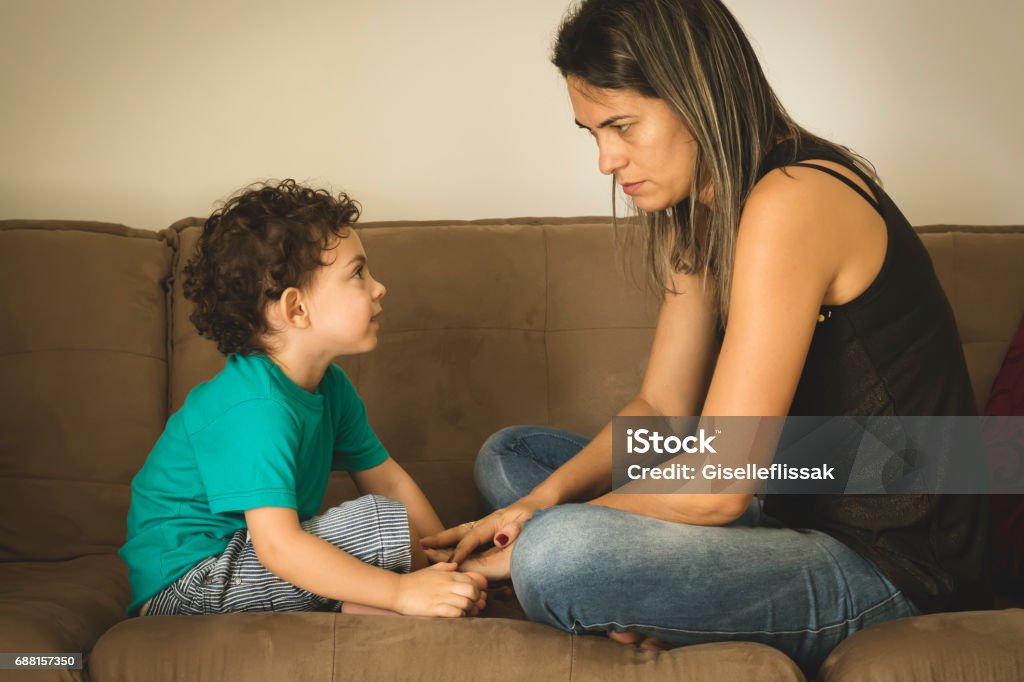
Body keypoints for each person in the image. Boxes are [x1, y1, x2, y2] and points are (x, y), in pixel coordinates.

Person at [422, 0, 989, 675]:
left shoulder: (795, 199)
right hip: (781, 496)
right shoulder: (697, 214)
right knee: (512, 458)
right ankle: (657, 596)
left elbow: (720, 482)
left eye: (623, 126)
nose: (606, 159)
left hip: (892, 561)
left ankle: (620, 591)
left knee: (557, 552)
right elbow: (661, 410)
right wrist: (536, 503)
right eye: (592, 132)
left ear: (697, 97)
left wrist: (536, 536)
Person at [119, 180, 485, 619]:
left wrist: (448, 564)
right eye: (358, 273)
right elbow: (278, 545)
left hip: (251, 560)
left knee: (392, 520)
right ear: (296, 310)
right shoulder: (254, 408)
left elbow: (390, 480)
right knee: (379, 522)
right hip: (190, 585)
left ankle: (359, 603)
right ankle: (377, 601)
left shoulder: (330, 387)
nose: (379, 287)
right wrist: (402, 592)